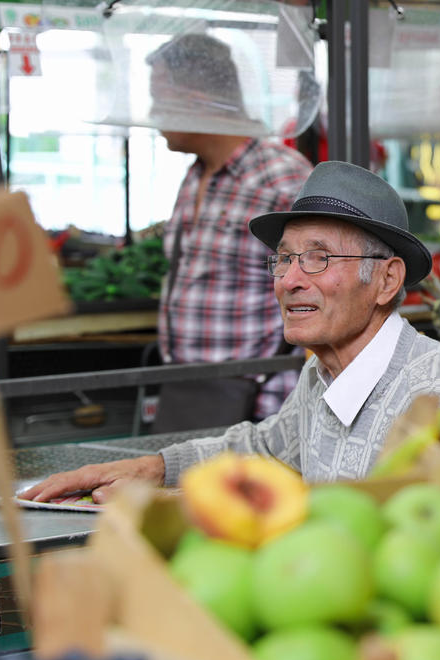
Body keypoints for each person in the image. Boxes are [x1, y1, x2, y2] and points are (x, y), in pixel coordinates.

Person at [20, 161, 440, 501]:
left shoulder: (437, 395)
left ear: (387, 280)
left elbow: (417, 545)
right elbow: (264, 451)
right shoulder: (322, 376)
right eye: (285, 258)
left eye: (318, 258)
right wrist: (153, 469)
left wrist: (171, 505)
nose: (289, 280)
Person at [145, 33, 313, 427]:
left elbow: (318, 289)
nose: (152, 114)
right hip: (188, 389)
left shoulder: (280, 179)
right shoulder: (195, 175)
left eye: (159, 99)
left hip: (257, 400)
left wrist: (270, 396)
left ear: (195, 100)